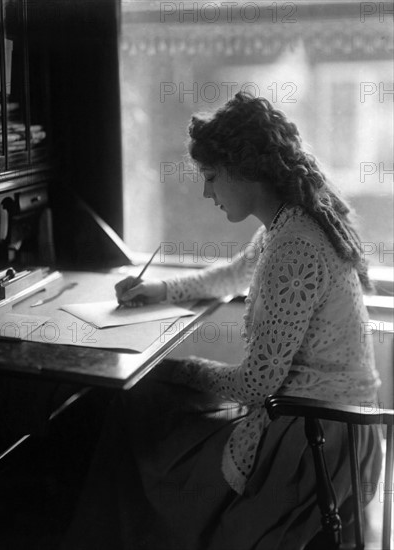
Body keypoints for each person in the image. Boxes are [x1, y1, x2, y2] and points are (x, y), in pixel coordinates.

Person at [64, 93, 382, 550]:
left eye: (211, 178)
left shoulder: (295, 245)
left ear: (245, 169)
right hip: (322, 422)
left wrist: (179, 368)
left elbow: (257, 384)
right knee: (148, 407)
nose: (206, 193)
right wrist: (158, 290)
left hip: (313, 438)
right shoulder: (288, 224)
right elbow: (234, 273)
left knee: (142, 413)